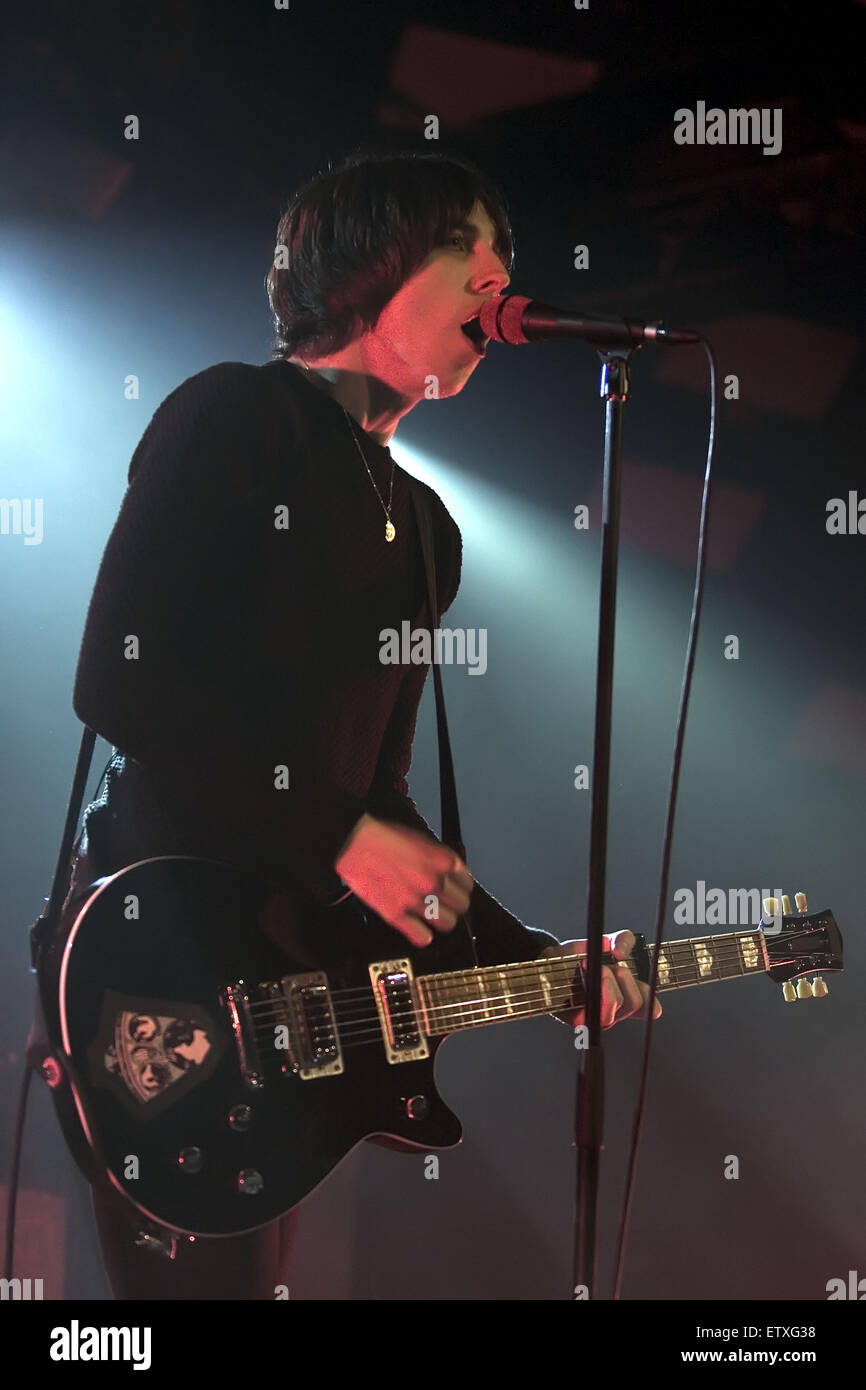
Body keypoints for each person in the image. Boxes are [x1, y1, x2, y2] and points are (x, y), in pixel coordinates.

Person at [60, 148, 660, 1300]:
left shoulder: (428, 526)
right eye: (466, 253)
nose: (498, 286)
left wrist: (540, 962)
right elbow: (120, 682)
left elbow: (377, 795)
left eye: (508, 263)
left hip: (288, 977)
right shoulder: (234, 413)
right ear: (370, 265)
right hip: (161, 950)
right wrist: (336, 833)